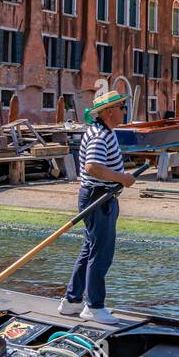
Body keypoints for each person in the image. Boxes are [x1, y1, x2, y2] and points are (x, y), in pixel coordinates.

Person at [58, 91, 137, 325]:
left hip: (97, 197)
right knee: (101, 253)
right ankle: (94, 306)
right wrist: (122, 178)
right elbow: (93, 167)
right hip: (99, 199)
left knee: (89, 249)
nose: (125, 111)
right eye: (122, 107)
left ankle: (72, 301)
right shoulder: (100, 135)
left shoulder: (103, 132)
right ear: (109, 111)